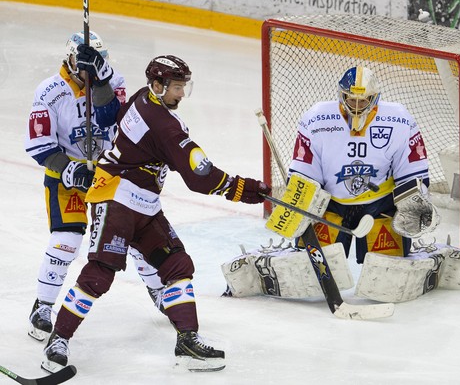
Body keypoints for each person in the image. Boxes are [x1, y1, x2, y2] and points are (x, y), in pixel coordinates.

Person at [41, 54, 271, 373]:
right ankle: (58, 338)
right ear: (158, 85)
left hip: (145, 205)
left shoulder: (143, 99)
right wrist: (246, 189)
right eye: (177, 87)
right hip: (117, 200)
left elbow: (119, 117)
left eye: (183, 87)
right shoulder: (165, 124)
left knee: (177, 263)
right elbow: (199, 176)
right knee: (101, 272)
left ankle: (187, 341)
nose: (181, 94)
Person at [24, 31, 165, 342]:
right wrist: (72, 170)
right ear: (71, 59)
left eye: (98, 60)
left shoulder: (113, 81)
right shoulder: (49, 91)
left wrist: (99, 80)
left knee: (137, 237)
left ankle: (159, 290)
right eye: (86, 61)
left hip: (109, 176)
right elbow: (39, 146)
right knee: (66, 240)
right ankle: (43, 305)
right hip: (68, 178)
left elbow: (111, 119)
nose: (91, 66)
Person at [287, 66, 437, 264]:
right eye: (351, 99)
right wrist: (298, 208)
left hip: (380, 205)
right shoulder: (316, 118)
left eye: (363, 100)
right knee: (312, 268)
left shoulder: (399, 120)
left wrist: (414, 205)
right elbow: (305, 172)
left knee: (388, 273)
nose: (356, 106)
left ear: (374, 98)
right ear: (341, 95)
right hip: (330, 205)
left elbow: (412, 172)